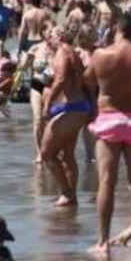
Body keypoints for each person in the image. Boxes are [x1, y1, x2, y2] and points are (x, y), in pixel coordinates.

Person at [84, 14, 131, 252]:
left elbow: (88, 81)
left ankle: (103, 241)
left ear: (117, 29)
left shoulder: (101, 55)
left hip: (109, 119)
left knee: (107, 181)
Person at [41, 26, 91, 208]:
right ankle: (72, 197)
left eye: (51, 35)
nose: (48, 38)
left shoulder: (63, 51)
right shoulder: (72, 52)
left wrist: (47, 104)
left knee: (47, 153)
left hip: (72, 108)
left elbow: (61, 79)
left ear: (60, 36)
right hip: (77, 107)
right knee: (67, 155)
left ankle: (66, 193)